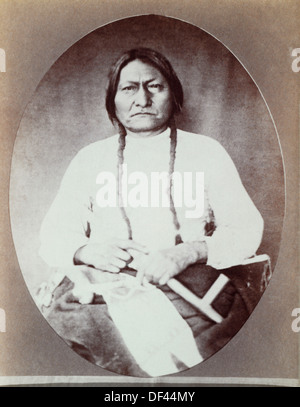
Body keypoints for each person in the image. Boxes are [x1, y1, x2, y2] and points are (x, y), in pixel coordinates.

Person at [38, 48, 264, 377]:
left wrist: (187, 252)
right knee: (72, 330)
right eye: (129, 88)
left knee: (214, 349)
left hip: (190, 289)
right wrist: (89, 250)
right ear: (113, 100)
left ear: (173, 93)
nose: (142, 99)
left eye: (154, 86)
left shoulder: (206, 152)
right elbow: (53, 234)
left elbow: (245, 228)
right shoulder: (90, 159)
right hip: (107, 292)